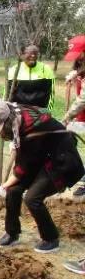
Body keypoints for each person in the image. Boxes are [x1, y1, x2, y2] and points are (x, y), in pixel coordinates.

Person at [0, 98, 85, 253]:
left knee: (32, 198)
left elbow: (22, 169)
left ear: (7, 122)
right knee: (13, 190)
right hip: (42, 157)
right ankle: (12, 232)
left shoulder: (32, 131)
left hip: (62, 163)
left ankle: (51, 238)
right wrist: (16, 144)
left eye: (0, 130)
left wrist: (3, 186)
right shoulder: (15, 113)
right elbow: (25, 160)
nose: (0, 134)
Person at [62, 35, 85, 197]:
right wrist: (75, 74)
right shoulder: (81, 66)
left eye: (79, 54)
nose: (76, 58)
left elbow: (83, 99)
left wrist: (67, 116)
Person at [7, 45, 55, 109]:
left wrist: (47, 111)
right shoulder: (14, 70)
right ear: (22, 55)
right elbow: (7, 93)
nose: (33, 56)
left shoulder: (45, 69)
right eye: (30, 53)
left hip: (39, 110)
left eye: (35, 53)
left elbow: (51, 93)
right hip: (18, 110)